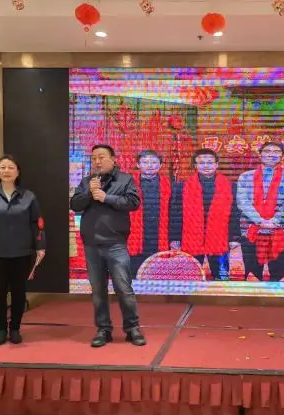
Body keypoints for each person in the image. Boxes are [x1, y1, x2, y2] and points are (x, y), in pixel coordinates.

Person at [70, 144, 145, 347]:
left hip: (115, 244)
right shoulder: (87, 182)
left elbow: (133, 202)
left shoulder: (125, 180)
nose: (97, 161)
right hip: (92, 245)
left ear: (113, 159)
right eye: (94, 158)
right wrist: (89, 193)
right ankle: (103, 329)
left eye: (101, 157)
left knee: (123, 288)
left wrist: (106, 197)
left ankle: (132, 328)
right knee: (98, 291)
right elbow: (74, 205)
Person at [0, 154, 46, 346]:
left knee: (19, 292)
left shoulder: (28, 196)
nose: (6, 171)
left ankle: (15, 329)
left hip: (22, 252)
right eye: (2, 167)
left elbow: (37, 223)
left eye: (11, 167)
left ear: (17, 172)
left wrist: (40, 246)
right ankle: (1, 329)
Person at [170, 149, 239, 280]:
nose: (206, 166)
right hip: (191, 237)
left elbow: (234, 214)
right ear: (195, 165)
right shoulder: (181, 187)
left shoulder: (230, 186)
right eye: (201, 163)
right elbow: (176, 214)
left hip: (219, 238)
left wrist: (234, 238)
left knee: (222, 278)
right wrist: (175, 237)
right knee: (191, 277)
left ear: (217, 164)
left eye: (210, 162)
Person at [236, 141, 284, 281]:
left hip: (281, 230)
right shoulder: (246, 176)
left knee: (280, 275)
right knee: (252, 274)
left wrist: (275, 220)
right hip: (251, 230)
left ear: (282, 156)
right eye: (267, 151)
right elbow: (242, 201)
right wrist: (260, 221)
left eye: (276, 152)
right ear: (260, 155)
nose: (271, 154)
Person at [127, 150, 171, 278]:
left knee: (156, 274)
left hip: (159, 234)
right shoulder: (127, 184)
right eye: (145, 162)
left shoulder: (169, 185)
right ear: (138, 164)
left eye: (154, 162)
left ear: (160, 165)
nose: (150, 166)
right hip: (134, 234)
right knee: (133, 273)